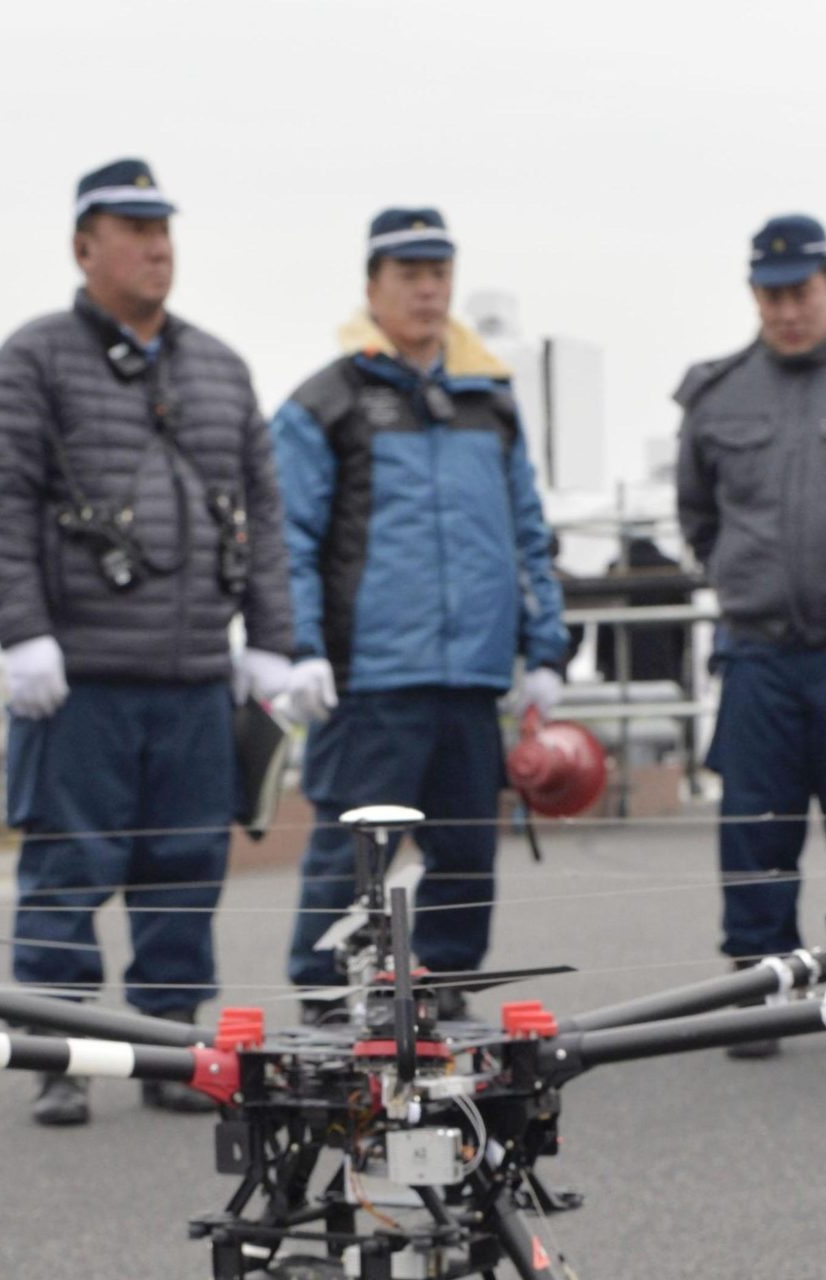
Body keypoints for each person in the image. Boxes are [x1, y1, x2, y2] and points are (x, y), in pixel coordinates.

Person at [0, 158, 294, 1128]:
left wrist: (273, 640)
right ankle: (56, 1053)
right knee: (66, 865)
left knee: (186, 870)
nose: (155, 246)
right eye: (131, 228)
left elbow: (263, 516)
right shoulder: (32, 359)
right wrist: (21, 634)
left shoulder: (219, 366)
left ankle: (165, 1048)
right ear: (82, 245)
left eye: (163, 229)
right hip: (82, 676)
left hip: (194, 673)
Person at [271, 208, 570, 1000]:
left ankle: (441, 991)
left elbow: (527, 532)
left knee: (466, 855)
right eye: (409, 275)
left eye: (440, 273)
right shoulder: (324, 403)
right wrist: (300, 644)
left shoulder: (491, 402)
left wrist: (546, 651)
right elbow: (288, 537)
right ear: (373, 285)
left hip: (471, 679)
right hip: (371, 678)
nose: (428, 290)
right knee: (351, 855)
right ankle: (325, 995)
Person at [675, 214, 826, 1053]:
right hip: (759, 649)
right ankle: (757, 987)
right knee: (755, 828)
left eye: (801, 292)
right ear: (753, 295)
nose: (787, 311)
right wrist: (745, 578)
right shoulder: (717, 392)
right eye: (770, 295)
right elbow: (698, 517)